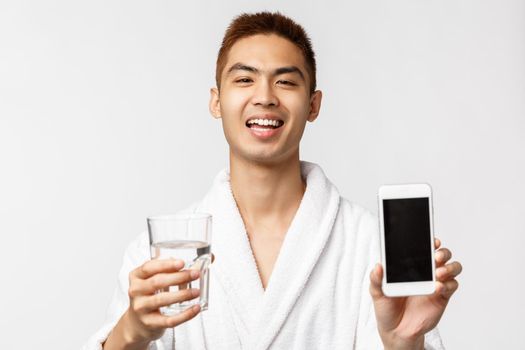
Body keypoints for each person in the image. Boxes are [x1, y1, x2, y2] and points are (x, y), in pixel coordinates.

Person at [83, 11, 462, 350]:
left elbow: (402, 337)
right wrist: (130, 333)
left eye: (285, 82)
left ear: (313, 105)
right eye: (245, 79)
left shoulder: (370, 250)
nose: (264, 97)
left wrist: (404, 344)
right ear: (216, 101)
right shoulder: (160, 257)